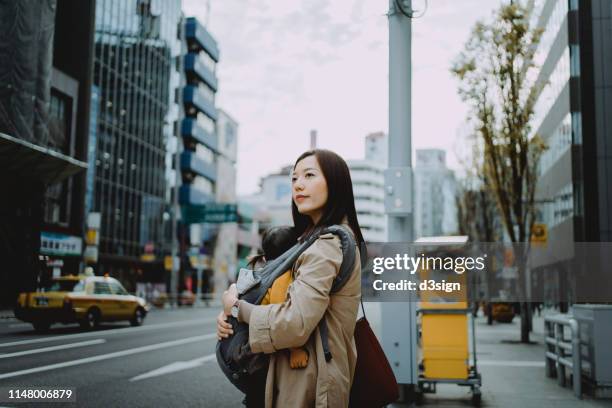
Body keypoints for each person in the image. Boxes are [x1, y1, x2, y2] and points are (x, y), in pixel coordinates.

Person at [217, 149, 365, 407]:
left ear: (336, 182)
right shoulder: (311, 240)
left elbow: (295, 322)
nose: (299, 184)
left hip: (310, 383)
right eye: (294, 178)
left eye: (309, 175)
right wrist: (233, 319)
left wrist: (238, 309)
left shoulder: (327, 244)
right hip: (300, 376)